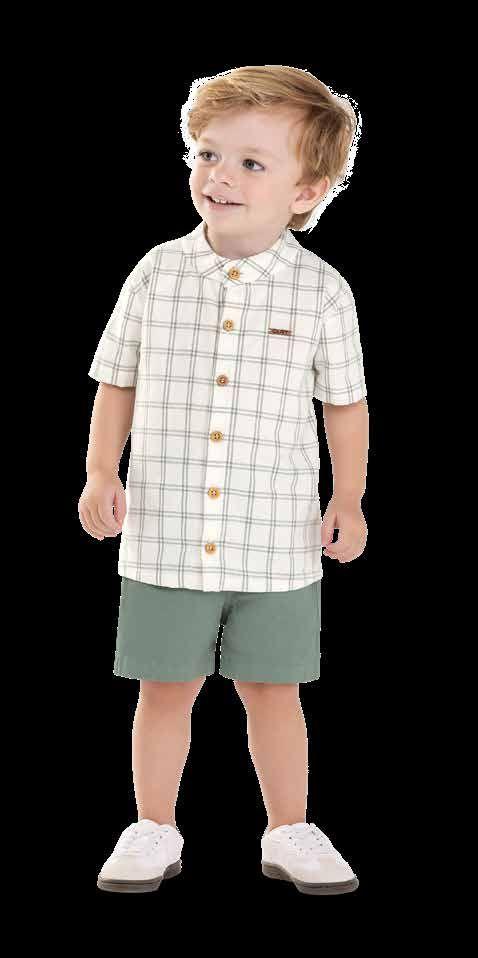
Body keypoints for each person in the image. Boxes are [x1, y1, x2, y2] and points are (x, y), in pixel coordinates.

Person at [79, 65, 369, 896]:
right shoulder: (156, 273)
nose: (220, 176)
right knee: (163, 687)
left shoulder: (321, 292)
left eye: (250, 163)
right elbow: (118, 381)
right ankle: (152, 827)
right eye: (207, 154)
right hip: (166, 531)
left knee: (275, 690)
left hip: (275, 540)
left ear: (306, 191)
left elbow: (345, 404)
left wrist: (348, 497)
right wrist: (100, 470)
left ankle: (289, 829)